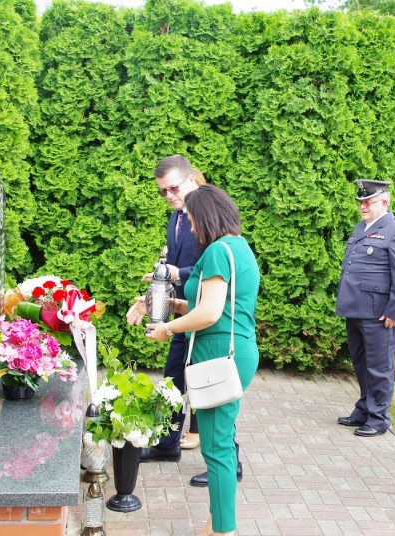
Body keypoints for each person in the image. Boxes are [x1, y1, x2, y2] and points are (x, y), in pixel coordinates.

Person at [144, 184, 260, 536]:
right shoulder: (238, 247)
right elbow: (216, 305)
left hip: (218, 354)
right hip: (235, 350)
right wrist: (176, 305)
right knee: (219, 439)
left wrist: (167, 328)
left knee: (216, 446)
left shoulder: (216, 252)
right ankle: (215, 523)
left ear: (206, 217)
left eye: (193, 219)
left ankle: (222, 530)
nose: (191, 228)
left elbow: (210, 314)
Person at [127, 155, 204, 465]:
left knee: (206, 385)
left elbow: (214, 267)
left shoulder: (207, 215)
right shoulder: (176, 217)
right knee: (173, 379)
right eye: (163, 191)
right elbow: (169, 269)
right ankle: (167, 444)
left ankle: (229, 458)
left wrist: (176, 274)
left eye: (174, 188)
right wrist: (149, 300)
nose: (169, 196)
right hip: (182, 313)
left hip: (204, 313)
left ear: (191, 180)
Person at [335, 180, 395, 438]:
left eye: (368, 202)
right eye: (361, 202)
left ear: (384, 202)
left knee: (379, 367)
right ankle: (364, 408)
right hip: (356, 309)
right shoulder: (361, 227)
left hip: (379, 313)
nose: (363, 206)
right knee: (361, 363)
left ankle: (379, 417)